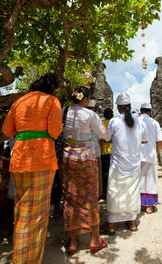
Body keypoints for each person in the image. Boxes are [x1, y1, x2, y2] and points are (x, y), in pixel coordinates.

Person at [2, 73, 63, 264]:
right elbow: (55, 130)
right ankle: (28, 260)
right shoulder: (52, 101)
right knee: (37, 215)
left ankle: (19, 257)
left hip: (20, 158)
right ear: (52, 88)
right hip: (42, 159)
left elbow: (7, 130)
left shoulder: (19, 101)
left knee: (22, 210)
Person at [58, 86, 108, 255]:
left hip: (66, 159)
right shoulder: (90, 114)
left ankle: (72, 242)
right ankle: (94, 240)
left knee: (70, 196)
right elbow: (103, 135)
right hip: (86, 159)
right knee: (90, 196)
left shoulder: (63, 111)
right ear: (86, 99)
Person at [104, 93, 148, 235]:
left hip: (117, 165)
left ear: (118, 108)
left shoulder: (114, 122)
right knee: (131, 194)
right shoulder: (140, 121)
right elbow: (144, 141)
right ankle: (132, 222)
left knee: (114, 194)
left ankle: (111, 225)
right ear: (129, 106)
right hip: (134, 166)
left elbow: (107, 139)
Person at [139, 103, 162, 214]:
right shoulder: (155, 123)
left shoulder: (136, 121)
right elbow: (160, 141)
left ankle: (137, 204)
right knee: (150, 180)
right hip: (150, 155)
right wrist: (156, 153)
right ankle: (149, 206)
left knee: (138, 180)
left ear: (140, 111)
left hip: (137, 156)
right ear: (150, 111)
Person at [87, 99, 103, 198]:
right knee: (96, 176)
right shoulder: (96, 118)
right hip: (95, 152)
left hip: (81, 152)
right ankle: (97, 194)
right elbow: (103, 136)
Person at [100, 108, 114, 197]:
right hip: (113, 151)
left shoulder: (101, 124)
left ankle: (105, 191)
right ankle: (112, 191)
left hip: (104, 151)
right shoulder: (114, 123)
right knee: (112, 172)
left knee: (104, 172)